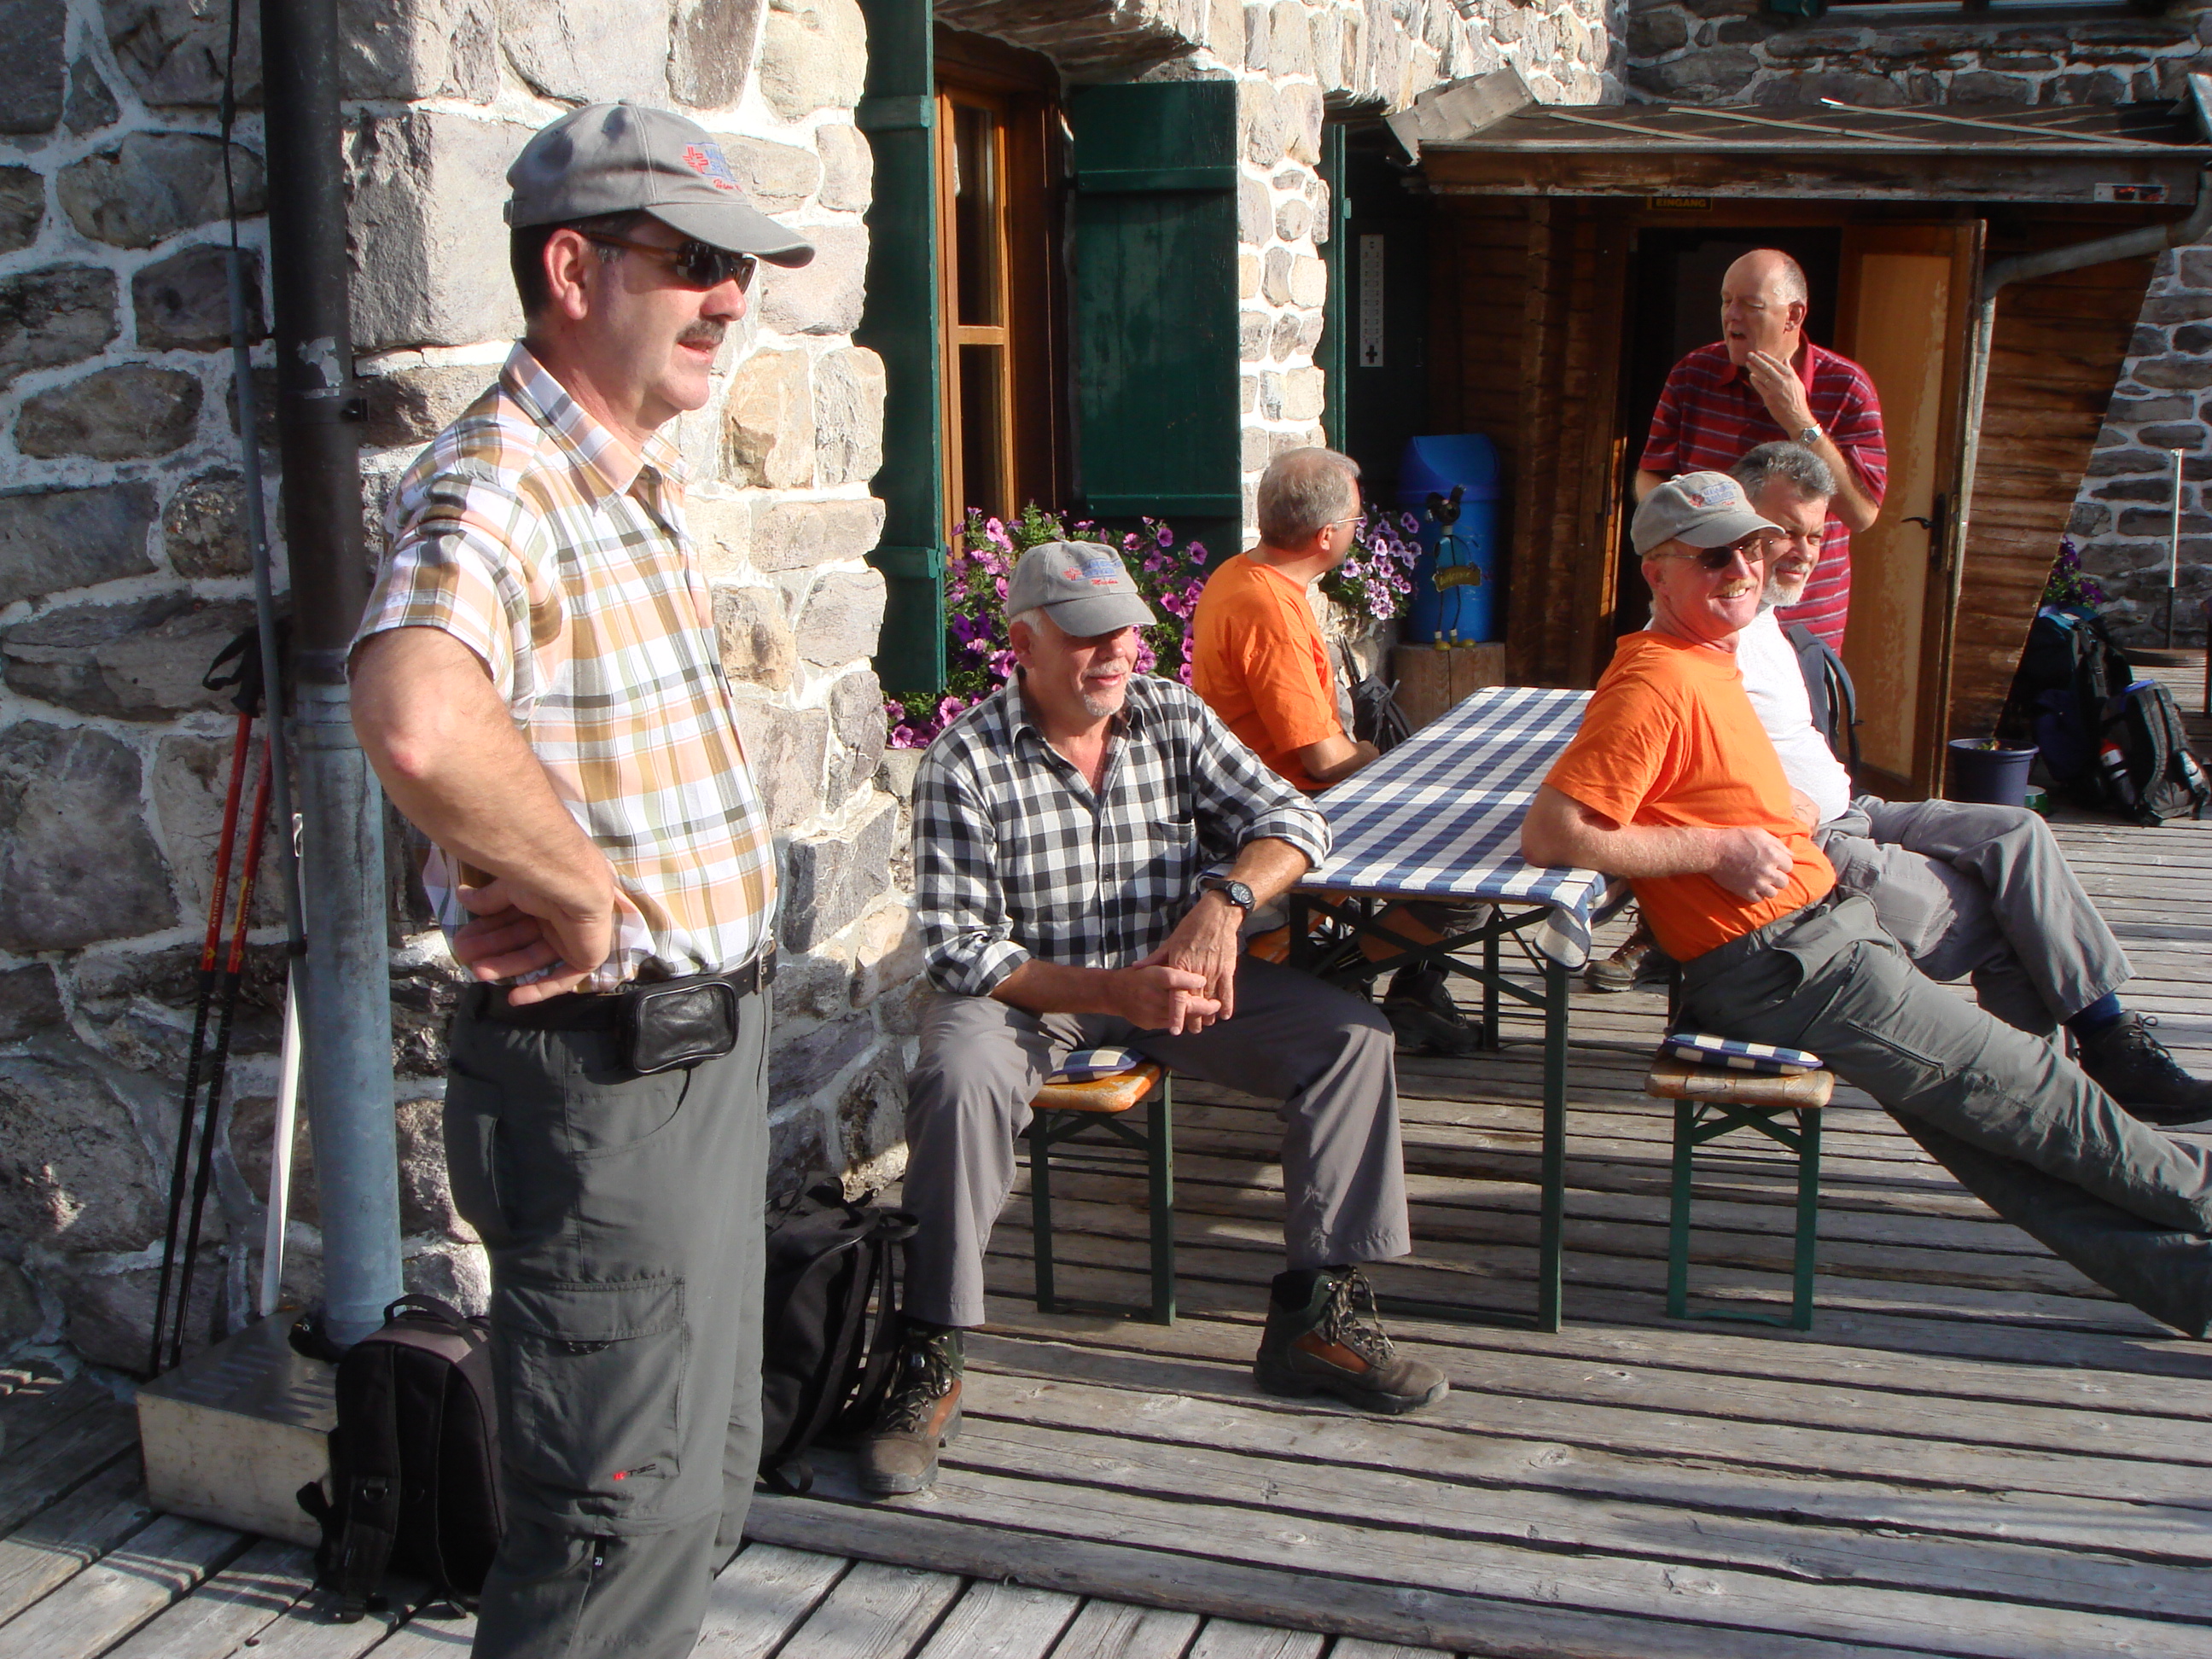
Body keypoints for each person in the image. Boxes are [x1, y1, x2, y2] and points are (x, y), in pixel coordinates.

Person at [349, 103, 811, 1659]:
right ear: (572, 269)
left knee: (694, 1488)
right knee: (613, 1522)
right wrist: (584, 894)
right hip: (608, 1080)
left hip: (693, 1067)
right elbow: (417, 711)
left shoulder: (619, 480)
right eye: (694, 262)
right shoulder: (501, 479)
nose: (731, 298)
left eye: (743, 268)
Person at [1521, 473, 2212, 1339]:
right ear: (1657, 573)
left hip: (1819, 940)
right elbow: (1553, 833)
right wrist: (1717, 850)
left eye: (1751, 546)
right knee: (2035, 1091)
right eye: (1713, 556)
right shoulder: (1655, 681)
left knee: (1982, 1132)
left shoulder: (1711, 653)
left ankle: (2192, 1285)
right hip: (1788, 962)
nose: (1742, 568)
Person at [860, 539, 1447, 1497]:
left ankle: (1317, 1318)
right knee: (958, 1075)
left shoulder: (1170, 714)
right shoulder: (963, 760)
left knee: (1351, 1041)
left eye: (1126, 631)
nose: (1115, 653)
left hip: (1173, 982)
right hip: (1037, 997)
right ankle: (928, 1354)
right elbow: (964, 952)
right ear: (1023, 645)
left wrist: (1225, 902)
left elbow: (1296, 819)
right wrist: (1110, 992)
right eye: (1087, 635)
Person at [1729, 442, 2212, 1123]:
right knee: (2016, 924)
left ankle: (2101, 1051)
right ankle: (2056, 1106)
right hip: (1812, 844)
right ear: (1741, 526)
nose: (1805, 552)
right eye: (1786, 532)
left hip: (1857, 808)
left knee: (2019, 832)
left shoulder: (1766, 621)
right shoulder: (1715, 636)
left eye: (1815, 535)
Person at [1190, 446, 1480, 1055]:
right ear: (1326, 536)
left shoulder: (1237, 574)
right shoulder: (1270, 607)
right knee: (1465, 873)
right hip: (1287, 809)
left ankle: (1412, 991)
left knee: (1455, 820)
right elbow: (1322, 759)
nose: (1357, 531)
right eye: (1355, 521)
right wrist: (1377, 756)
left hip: (1266, 794)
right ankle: (1335, 978)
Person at [1633, 249, 1885, 653]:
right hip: (1706, 607)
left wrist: (1800, 422)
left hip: (1801, 621)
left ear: (1793, 316)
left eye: (1751, 305)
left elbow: (1862, 513)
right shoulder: (1693, 373)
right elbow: (1651, 475)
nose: (1731, 316)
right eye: (1726, 301)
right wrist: (1690, 527)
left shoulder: (1847, 387)